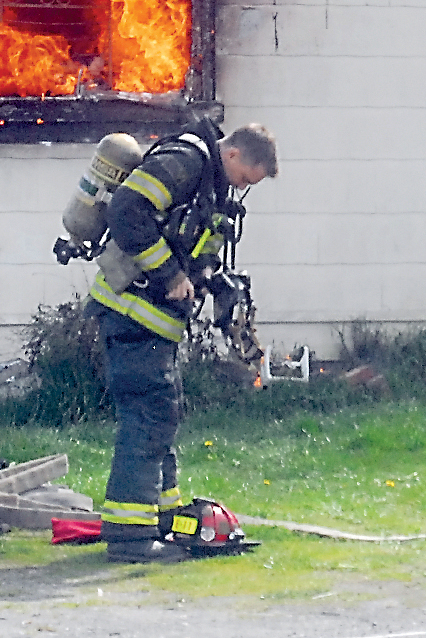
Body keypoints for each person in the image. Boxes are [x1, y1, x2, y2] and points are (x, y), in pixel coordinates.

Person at [90, 120, 277, 564]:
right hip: (132, 312)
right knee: (149, 414)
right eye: (244, 179)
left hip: (153, 321)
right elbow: (127, 210)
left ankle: (165, 518)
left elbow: (186, 241)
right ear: (232, 155)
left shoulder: (206, 182)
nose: (241, 189)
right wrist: (170, 275)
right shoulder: (186, 161)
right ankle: (130, 538)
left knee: (164, 412)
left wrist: (212, 284)